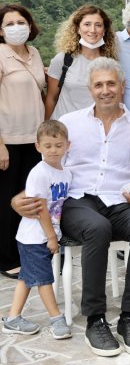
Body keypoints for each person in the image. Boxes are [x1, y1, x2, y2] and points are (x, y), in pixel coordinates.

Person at [12, 57, 130, 357]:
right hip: (76, 200)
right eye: (99, 85)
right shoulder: (70, 123)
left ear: (122, 86)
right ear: (90, 89)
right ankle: (96, 318)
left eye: (111, 83)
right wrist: (20, 197)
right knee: (97, 228)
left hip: (121, 199)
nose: (105, 90)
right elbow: (48, 168)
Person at [3, 120, 72, 339]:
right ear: (38, 146)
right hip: (34, 236)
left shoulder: (65, 172)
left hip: (45, 234)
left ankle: (13, 318)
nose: (53, 150)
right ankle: (56, 318)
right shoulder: (39, 172)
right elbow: (40, 207)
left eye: (58, 145)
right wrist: (51, 236)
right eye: (48, 145)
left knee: (27, 277)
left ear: (67, 146)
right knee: (43, 278)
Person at [0, 4, 45, 280]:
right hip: (8, 139)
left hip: (34, 139)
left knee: (29, 198)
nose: (17, 26)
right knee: (6, 200)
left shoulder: (35, 54)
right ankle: (6, 258)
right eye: (10, 22)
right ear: (1, 30)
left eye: (21, 21)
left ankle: (25, 251)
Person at [45, 5, 119, 120]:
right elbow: (51, 98)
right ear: (77, 29)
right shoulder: (63, 60)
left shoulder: (110, 65)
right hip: (64, 130)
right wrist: (46, 128)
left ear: (104, 31)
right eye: (87, 24)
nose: (93, 30)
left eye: (98, 25)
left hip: (94, 130)